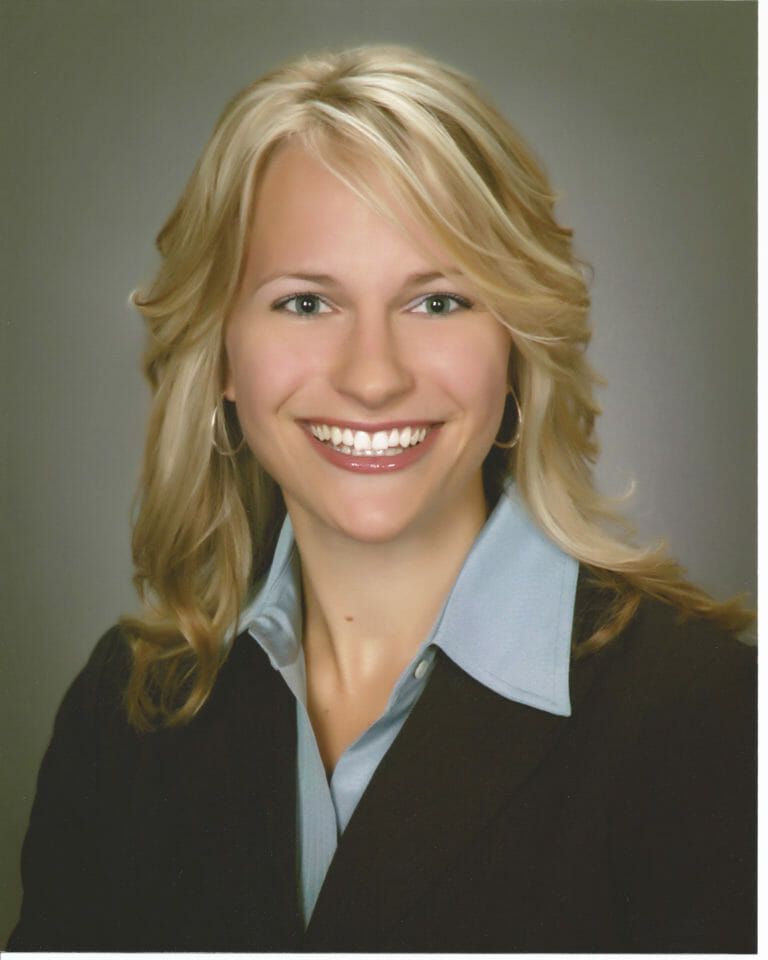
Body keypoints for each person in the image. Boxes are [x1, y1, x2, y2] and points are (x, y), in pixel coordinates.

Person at [9, 45, 755, 953]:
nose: (373, 378)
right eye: (305, 304)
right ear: (222, 362)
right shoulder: (124, 714)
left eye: (437, 303)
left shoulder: (710, 717)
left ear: (517, 347)